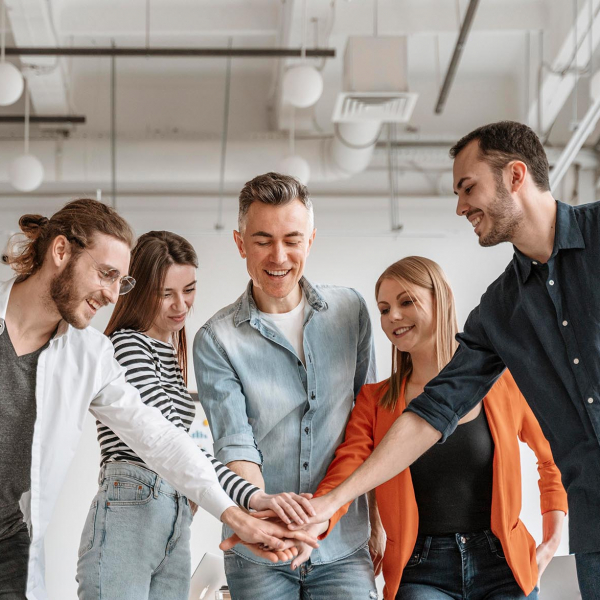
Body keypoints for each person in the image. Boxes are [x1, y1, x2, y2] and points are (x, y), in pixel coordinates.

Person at [293, 121, 600, 599]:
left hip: (510, 559)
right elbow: (433, 414)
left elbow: (546, 462)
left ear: (515, 175)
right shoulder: (501, 311)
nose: (460, 206)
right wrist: (331, 503)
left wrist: (551, 532)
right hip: (593, 523)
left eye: (468, 187)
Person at [0, 199, 317, 599]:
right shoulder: (126, 345)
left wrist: (241, 508)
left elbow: (162, 439)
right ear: (60, 252)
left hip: (10, 535)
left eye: (121, 281)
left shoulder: (89, 354)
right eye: (106, 274)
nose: (113, 296)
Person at [293, 256, 567, 599]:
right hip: (422, 570)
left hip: (503, 564)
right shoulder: (375, 401)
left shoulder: (499, 381)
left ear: (442, 298)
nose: (392, 316)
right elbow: (348, 470)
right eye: (384, 308)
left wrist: (552, 538)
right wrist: (318, 518)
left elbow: (554, 454)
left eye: (406, 301)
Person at [76, 230, 316, 599]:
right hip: (134, 505)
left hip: (170, 509)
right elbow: (171, 446)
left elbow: (182, 452)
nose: (181, 305)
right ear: (139, 290)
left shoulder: (167, 354)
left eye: (188, 289)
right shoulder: (127, 344)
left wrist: (252, 500)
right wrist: (250, 499)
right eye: (166, 293)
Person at [194, 173, 381, 599]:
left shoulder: (350, 312)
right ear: (240, 244)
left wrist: (380, 524)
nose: (278, 255)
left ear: (310, 240)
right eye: (262, 240)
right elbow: (234, 442)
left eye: (292, 239)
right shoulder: (216, 339)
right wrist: (269, 523)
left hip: (343, 546)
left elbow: (368, 425)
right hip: (261, 552)